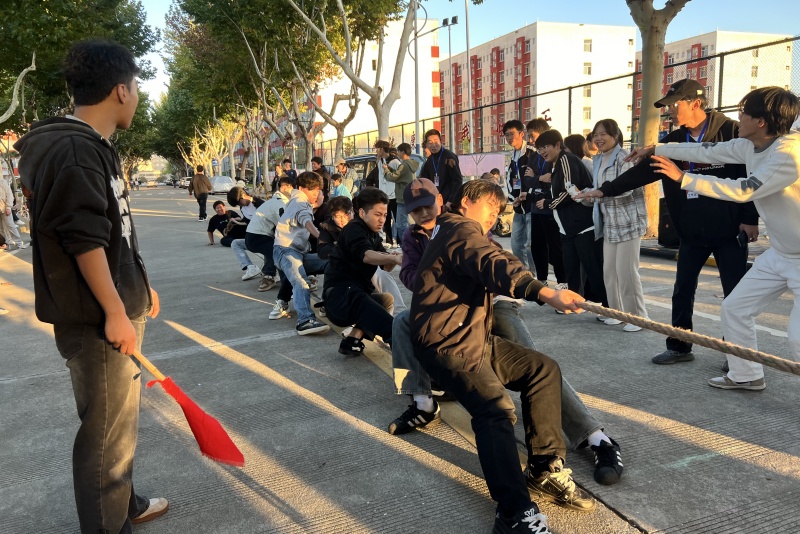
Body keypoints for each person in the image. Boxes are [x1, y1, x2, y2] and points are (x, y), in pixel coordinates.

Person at [13, 39, 168, 533]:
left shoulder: (89, 145)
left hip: (111, 308)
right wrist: (116, 311)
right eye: (137, 86)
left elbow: (113, 229)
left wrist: (138, 285)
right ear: (121, 90)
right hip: (97, 320)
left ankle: (123, 502)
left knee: (118, 425)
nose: (137, 96)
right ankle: (108, 524)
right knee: (106, 434)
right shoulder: (75, 150)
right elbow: (83, 240)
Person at [392, 178, 624, 487]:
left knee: (536, 364)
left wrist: (541, 289)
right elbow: (411, 276)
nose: (422, 213)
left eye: (427, 205)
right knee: (403, 321)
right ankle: (422, 402)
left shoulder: (466, 225)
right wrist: (439, 269)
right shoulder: (414, 237)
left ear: (441, 200)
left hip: (493, 302)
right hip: (453, 315)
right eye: (415, 209)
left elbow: (495, 259)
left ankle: (594, 436)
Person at [577, 78, 759, 365]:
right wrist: (604, 190)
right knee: (682, 290)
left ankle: (735, 355)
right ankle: (679, 346)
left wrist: (750, 218)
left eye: (674, 105)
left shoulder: (732, 132)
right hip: (690, 230)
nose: (669, 111)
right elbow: (641, 174)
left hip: (729, 228)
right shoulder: (671, 141)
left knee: (734, 295)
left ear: (695, 103)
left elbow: (750, 178)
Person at [641, 86, 799, 390]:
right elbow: (707, 151)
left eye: (743, 112)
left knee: (798, 340)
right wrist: (657, 149)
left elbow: (744, 189)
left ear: (761, 121)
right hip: (781, 253)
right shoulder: (749, 144)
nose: (738, 117)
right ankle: (745, 374)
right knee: (735, 308)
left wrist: (683, 177)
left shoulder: (788, 153)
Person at [535, 129, 608, 310]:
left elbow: (571, 189)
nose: (542, 151)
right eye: (539, 149)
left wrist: (549, 203)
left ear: (558, 145)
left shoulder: (566, 160)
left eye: (545, 147)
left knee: (593, 268)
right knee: (572, 268)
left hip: (582, 226)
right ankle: (574, 303)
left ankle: (609, 307)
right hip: (567, 228)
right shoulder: (555, 166)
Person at [323, 188, 402, 355]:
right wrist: (393, 258)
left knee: (385, 300)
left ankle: (352, 341)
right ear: (362, 212)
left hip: (355, 296)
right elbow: (367, 256)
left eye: (385, 215)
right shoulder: (354, 229)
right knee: (392, 328)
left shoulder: (373, 235)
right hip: (340, 298)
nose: (382, 220)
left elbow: (386, 267)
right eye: (377, 214)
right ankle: (411, 363)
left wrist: (395, 257)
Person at [587, 119, 648, 332]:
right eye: (595, 135)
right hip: (610, 223)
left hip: (629, 221)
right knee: (610, 272)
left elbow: (627, 188)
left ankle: (638, 318)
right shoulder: (597, 159)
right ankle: (616, 313)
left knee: (627, 272)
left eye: (603, 134)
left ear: (615, 135)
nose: (598, 139)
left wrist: (598, 194)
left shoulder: (625, 157)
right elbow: (599, 188)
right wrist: (586, 194)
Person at [272, 171, 330, 335]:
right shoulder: (300, 201)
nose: (317, 194)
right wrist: (321, 238)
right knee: (301, 282)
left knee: (331, 262)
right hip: (286, 250)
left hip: (298, 252)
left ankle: (328, 303)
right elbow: (306, 221)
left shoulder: (296, 200)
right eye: (314, 190)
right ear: (303, 188)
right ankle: (305, 321)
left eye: (318, 190)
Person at [524, 118, 566, 289]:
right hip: (536, 207)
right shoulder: (533, 157)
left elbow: (555, 181)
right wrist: (540, 178)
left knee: (555, 247)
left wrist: (536, 179)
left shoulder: (559, 157)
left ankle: (562, 281)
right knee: (537, 246)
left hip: (551, 207)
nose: (530, 140)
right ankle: (541, 279)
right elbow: (527, 180)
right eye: (528, 136)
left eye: (532, 136)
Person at [242, 176, 293, 290]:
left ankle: (270, 276)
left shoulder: (273, 201)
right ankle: (288, 286)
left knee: (274, 250)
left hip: (254, 236)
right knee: (281, 256)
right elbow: (285, 226)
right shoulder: (279, 203)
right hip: (258, 238)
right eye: (292, 187)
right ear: (284, 187)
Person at [502, 119, 537, 270]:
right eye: (506, 135)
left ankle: (535, 275)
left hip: (531, 206)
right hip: (518, 207)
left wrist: (528, 194)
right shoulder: (513, 156)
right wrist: (513, 198)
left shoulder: (532, 153)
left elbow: (538, 179)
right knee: (516, 245)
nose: (509, 138)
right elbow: (509, 179)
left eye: (512, 134)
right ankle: (524, 274)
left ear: (522, 134)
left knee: (530, 245)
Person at [382, 142, 419, 246]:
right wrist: (392, 169)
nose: (397, 153)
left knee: (400, 225)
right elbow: (401, 175)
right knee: (408, 223)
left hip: (403, 198)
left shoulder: (404, 165)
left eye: (398, 151)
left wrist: (386, 170)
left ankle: (405, 246)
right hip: (410, 197)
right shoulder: (411, 164)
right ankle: (410, 245)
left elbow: (394, 177)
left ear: (403, 152)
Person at [418, 128, 463, 209]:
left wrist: (451, 201)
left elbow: (458, 180)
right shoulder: (430, 160)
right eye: (430, 142)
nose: (433, 145)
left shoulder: (449, 157)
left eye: (436, 141)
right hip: (435, 202)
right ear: (427, 144)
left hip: (448, 203)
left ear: (441, 141)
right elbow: (424, 179)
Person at [0, 176, 26, 249]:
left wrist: (8, 207)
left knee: (11, 226)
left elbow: (9, 195)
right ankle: (6, 243)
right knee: (1, 228)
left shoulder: (2, 182)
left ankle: (19, 243)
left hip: (4, 208)